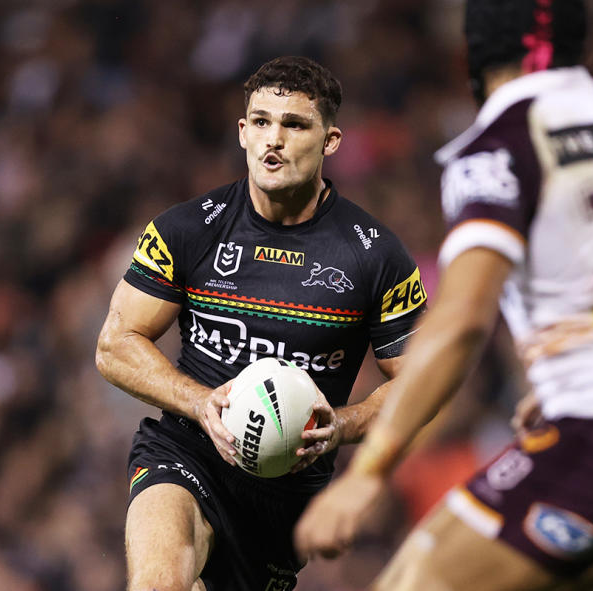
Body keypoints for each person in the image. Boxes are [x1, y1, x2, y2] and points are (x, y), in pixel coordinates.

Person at [293, 1, 593, 589]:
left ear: (476, 55)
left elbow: (460, 323)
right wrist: (577, 363)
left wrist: (368, 472)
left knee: (414, 582)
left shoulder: (500, 142)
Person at [95, 56, 427, 591]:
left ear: (330, 141)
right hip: (188, 450)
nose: (275, 139)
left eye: (295, 125)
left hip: (285, 494)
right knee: (160, 584)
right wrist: (200, 404)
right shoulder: (187, 230)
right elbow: (115, 345)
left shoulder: (376, 257)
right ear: (243, 133)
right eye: (262, 122)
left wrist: (344, 425)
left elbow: (420, 382)